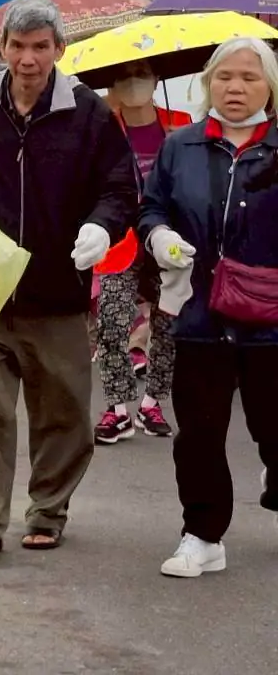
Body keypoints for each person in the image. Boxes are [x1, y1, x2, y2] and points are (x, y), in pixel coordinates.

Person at [0, 0, 138, 563]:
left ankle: (47, 509)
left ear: (59, 50)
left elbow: (120, 190)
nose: (27, 58)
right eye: (17, 46)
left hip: (57, 294)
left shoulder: (89, 114)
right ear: (2, 49)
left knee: (63, 413)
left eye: (40, 47)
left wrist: (101, 227)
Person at [139, 37, 278, 579]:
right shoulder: (183, 146)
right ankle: (202, 534)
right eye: (224, 76)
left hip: (271, 322)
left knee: (275, 428)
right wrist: (159, 236)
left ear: (269, 85)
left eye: (249, 77)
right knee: (199, 432)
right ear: (208, 83)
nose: (236, 87)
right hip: (199, 314)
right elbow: (151, 206)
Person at [92, 60, 190, 445]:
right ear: (113, 84)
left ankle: (153, 402)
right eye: (124, 76)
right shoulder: (103, 127)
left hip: (168, 240)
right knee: (112, 325)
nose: (134, 83)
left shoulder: (181, 125)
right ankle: (117, 409)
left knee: (168, 328)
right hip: (119, 242)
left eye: (143, 74)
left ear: (157, 80)